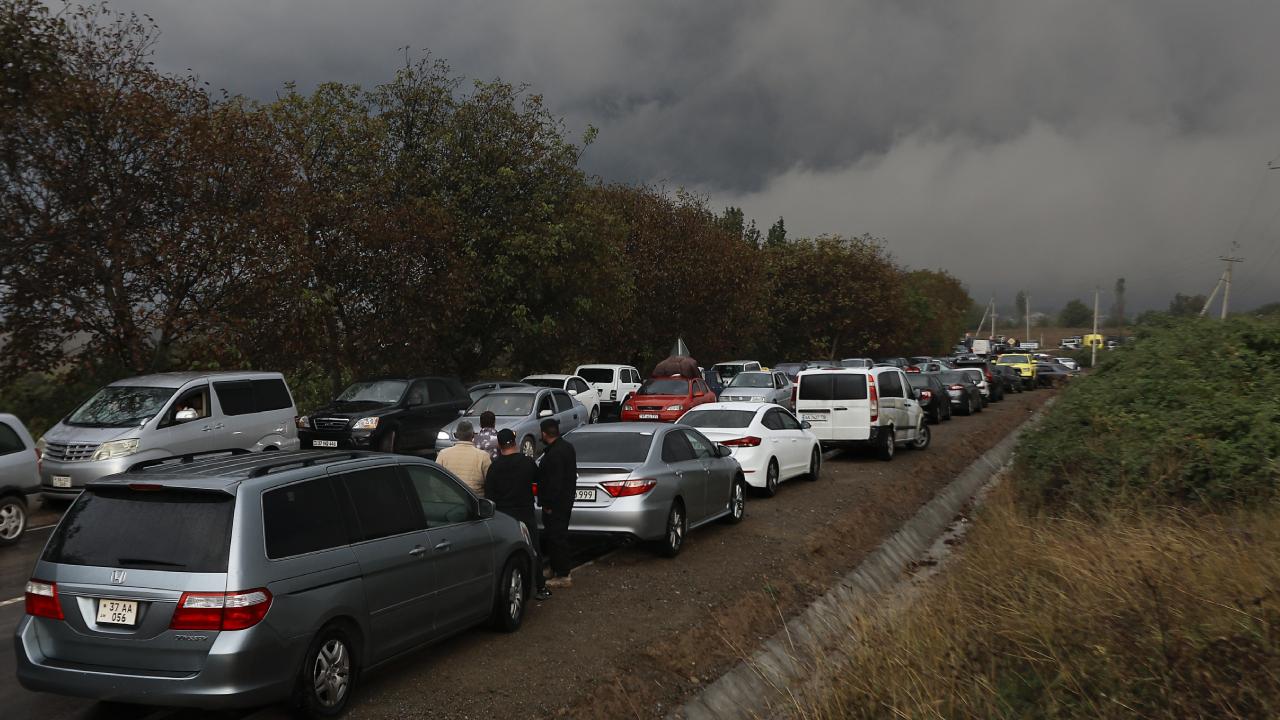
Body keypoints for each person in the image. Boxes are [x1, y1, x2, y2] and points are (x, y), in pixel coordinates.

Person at [485, 429, 551, 600]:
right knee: (533, 549)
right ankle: (541, 587)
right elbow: (540, 481)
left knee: (508, 553)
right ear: (514, 442)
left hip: (504, 515)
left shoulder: (494, 467)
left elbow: (489, 496)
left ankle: (509, 588)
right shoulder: (527, 462)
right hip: (525, 512)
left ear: (499, 446)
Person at [535, 417, 576, 588]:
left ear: (544, 434)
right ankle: (555, 567)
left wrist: (548, 504)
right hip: (565, 501)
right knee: (555, 537)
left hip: (556, 504)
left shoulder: (554, 454)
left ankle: (563, 574)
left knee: (556, 537)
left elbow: (554, 483)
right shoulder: (566, 447)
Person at [435, 421, 491, 495]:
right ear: (473, 435)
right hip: (475, 500)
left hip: (450, 500)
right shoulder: (483, 456)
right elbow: (490, 483)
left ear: (456, 435)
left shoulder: (443, 454)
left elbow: (435, 483)